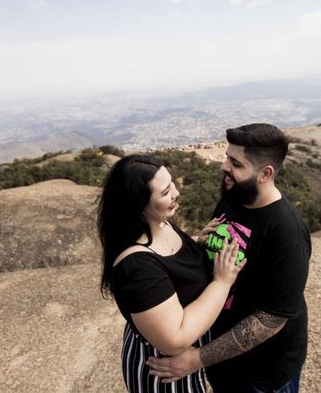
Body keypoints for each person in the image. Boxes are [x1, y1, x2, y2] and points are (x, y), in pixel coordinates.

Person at [147, 123, 312, 393]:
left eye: (235, 163)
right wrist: (201, 245)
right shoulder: (235, 197)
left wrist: (196, 359)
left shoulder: (286, 233)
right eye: (227, 157)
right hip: (224, 364)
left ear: (265, 173)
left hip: (261, 375)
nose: (224, 166)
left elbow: (271, 319)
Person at [98, 154, 246, 393]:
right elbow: (174, 338)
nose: (176, 193)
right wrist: (222, 282)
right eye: (165, 192)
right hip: (163, 370)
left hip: (182, 362)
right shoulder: (137, 267)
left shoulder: (159, 222)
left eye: (172, 184)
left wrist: (197, 245)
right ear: (139, 206)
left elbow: (170, 266)